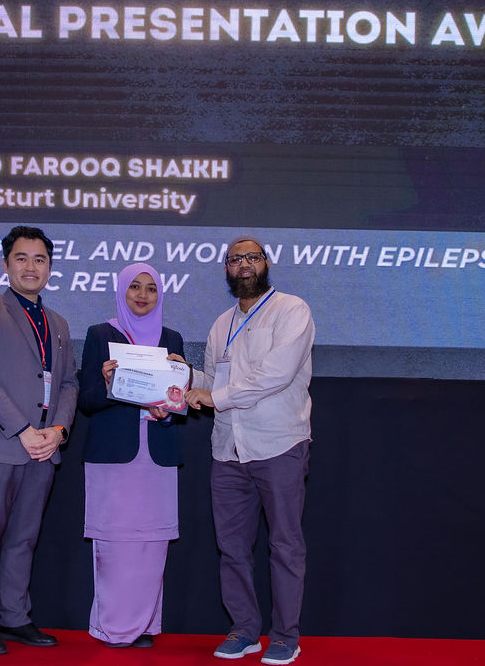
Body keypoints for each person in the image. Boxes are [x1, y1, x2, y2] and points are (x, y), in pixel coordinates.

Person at [185, 235, 314, 666]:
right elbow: (213, 380)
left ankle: (285, 636)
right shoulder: (221, 324)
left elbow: (276, 374)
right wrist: (181, 375)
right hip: (228, 449)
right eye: (235, 259)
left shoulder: (291, 310)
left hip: (278, 443)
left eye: (252, 257)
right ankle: (244, 629)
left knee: (285, 546)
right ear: (226, 268)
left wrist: (214, 397)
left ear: (266, 263)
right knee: (232, 548)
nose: (244, 264)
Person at [0, 226, 78, 655]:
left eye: (40, 259)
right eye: (22, 258)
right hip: (1, 445)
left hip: (45, 448)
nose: (31, 266)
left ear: (50, 267)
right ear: (5, 264)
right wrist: (23, 429)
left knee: (24, 537)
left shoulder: (58, 323)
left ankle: (14, 616)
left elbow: (68, 384)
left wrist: (58, 431)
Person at [78, 263, 187, 648]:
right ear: (122, 291)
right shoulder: (100, 334)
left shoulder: (172, 338)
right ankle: (112, 628)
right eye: (135, 287)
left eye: (151, 288)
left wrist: (170, 408)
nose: (143, 295)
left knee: (152, 545)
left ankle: (143, 626)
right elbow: (86, 401)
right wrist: (109, 384)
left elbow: (176, 402)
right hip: (114, 456)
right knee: (115, 545)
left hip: (157, 455)